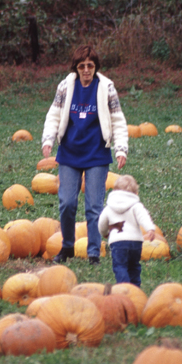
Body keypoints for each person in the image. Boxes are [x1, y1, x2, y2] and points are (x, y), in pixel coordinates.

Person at [42, 44, 128, 266]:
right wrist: (48, 139)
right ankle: (68, 246)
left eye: (90, 66)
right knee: (67, 202)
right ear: (76, 68)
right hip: (70, 152)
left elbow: (117, 119)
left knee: (94, 206)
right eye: (82, 66)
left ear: (96, 67)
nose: (86, 70)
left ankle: (93, 253)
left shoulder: (106, 87)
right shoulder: (66, 86)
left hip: (96, 153)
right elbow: (54, 114)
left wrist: (120, 148)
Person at [98, 175, 155, 287]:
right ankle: (135, 289)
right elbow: (143, 216)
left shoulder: (109, 207)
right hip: (135, 242)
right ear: (135, 192)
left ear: (115, 190)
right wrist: (150, 229)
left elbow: (101, 223)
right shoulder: (136, 205)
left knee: (120, 266)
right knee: (134, 266)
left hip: (118, 242)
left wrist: (104, 233)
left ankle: (124, 287)